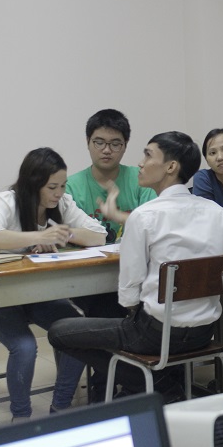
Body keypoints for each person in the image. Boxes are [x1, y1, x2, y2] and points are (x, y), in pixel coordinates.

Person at [48, 132, 223, 402]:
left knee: (59, 332)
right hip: (205, 331)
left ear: (171, 167)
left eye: (148, 155)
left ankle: (160, 385)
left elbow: (129, 292)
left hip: (155, 333)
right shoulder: (217, 212)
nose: (140, 163)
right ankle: (161, 383)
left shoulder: (144, 216)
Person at [0, 147, 107, 420]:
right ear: (33, 185)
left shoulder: (62, 204)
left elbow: (99, 236)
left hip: (37, 295)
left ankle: (60, 409)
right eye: (52, 187)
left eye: (63, 186)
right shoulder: (8, 201)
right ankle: (21, 418)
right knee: (25, 347)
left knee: (78, 334)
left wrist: (62, 234)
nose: (58, 193)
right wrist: (37, 237)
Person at [66, 109, 156, 319]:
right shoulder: (70, 186)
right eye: (99, 142)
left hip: (138, 273)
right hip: (89, 276)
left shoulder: (141, 179)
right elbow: (66, 236)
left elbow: (154, 226)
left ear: (125, 146)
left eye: (115, 144)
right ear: (88, 142)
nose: (107, 150)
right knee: (107, 310)